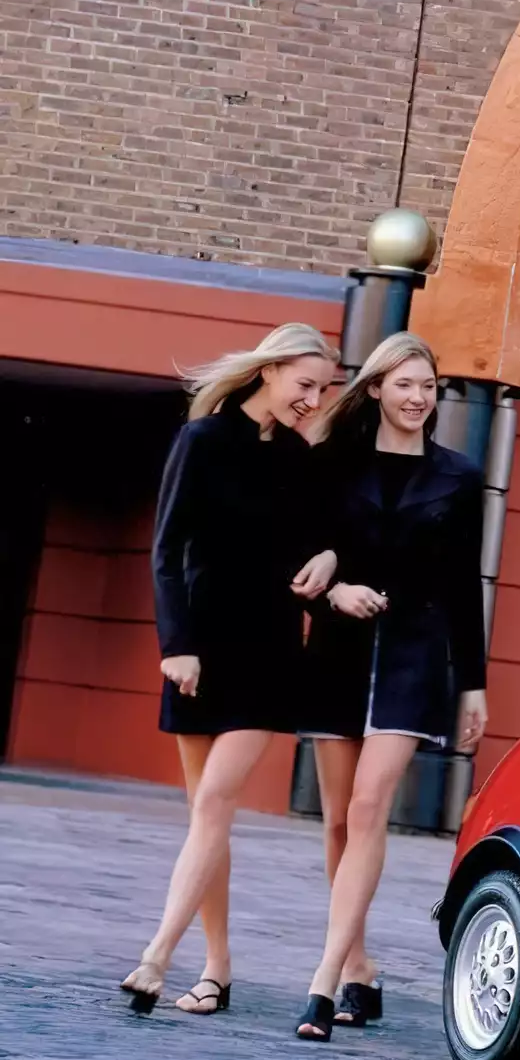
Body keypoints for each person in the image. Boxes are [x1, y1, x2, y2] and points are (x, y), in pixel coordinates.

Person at [120, 323, 341, 1014]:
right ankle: (217, 968)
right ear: (268, 371)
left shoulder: (301, 458)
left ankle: (156, 956)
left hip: (271, 652)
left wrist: (329, 556)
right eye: (305, 384)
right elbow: (166, 551)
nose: (313, 400)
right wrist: (175, 645)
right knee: (204, 818)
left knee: (215, 802)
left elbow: (322, 542)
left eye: (323, 390)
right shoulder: (203, 441)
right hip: (199, 649)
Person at [296, 332, 488, 1041]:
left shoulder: (459, 477)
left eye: (428, 386)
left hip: (414, 658)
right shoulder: (331, 464)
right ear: (375, 388)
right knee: (339, 821)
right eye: (404, 384)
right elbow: (300, 557)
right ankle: (359, 968)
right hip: (339, 654)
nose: (417, 397)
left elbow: (463, 585)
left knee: (370, 805)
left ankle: (322, 982)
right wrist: (333, 592)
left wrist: (473, 684)